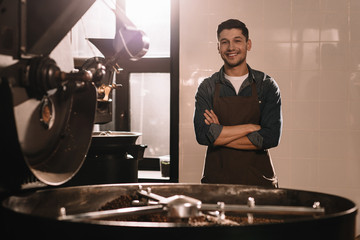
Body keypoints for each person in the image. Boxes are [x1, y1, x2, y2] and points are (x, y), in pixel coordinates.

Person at [193, 19, 282, 188]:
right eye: (224, 42)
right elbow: (203, 135)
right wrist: (250, 127)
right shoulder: (208, 87)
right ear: (218, 47)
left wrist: (219, 135)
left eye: (237, 41)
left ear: (248, 44)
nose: (231, 48)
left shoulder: (266, 85)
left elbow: (270, 137)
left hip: (259, 183)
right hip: (217, 184)